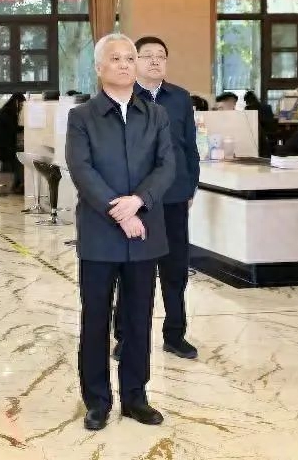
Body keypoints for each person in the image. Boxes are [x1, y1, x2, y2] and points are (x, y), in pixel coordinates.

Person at [66, 33, 175, 431]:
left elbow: (166, 166)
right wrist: (121, 211)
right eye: (116, 58)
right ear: (99, 68)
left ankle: (135, 397)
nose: (126, 64)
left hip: (144, 234)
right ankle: (97, 401)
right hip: (101, 234)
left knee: (138, 319)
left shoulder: (156, 114)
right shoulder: (82, 117)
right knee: (95, 318)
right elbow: (82, 170)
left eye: (130, 58)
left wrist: (139, 201)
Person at [113, 36, 200, 360]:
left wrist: (190, 187)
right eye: (146, 55)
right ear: (134, 61)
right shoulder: (123, 96)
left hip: (174, 197)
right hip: (136, 200)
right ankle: (125, 337)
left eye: (160, 56)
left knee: (175, 270)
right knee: (133, 271)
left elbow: (189, 148)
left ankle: (175, 335)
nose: (154, 61)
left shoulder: (180, 98)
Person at [0, 92, 25, 193]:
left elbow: (11, 130)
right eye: (21, 104)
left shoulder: (5, 111)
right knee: (16, 159)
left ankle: (16, 184)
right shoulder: (8, 113)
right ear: (16, 102)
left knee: (14, 157)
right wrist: (26, 128)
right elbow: (13, 129)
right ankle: (20, 184)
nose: (22, 107)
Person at [244, 91, 277, 156]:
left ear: (247, 101)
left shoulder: (249, 109)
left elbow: (249, 125)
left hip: (259, 137)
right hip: (271, 135)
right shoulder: (267, 107)